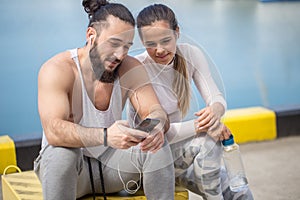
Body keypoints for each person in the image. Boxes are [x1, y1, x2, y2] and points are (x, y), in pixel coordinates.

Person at [34, 1, 175, 200]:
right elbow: (54, 130)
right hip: (73, 174)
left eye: (126, 47)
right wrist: (107, 135)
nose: (120, 55)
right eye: (114, 44)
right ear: (91, 36)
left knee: (156, 144)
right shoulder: (58, 69)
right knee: (61, 155)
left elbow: (155, 111)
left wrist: (157, 125)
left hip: (113, 168)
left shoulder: (129, 67)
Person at [128, 3, 254, 200]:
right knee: (209, 140)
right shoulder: (138, 67)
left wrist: (215, 111)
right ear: (142, 42)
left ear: (177, 32)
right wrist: (202, 126)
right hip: (149, 159)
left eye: (165, 40)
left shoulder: (190, 54)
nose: (159, 50)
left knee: (241, 192)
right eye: (151, 44)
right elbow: (157, 133)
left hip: (177, 157)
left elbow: (215, 97)